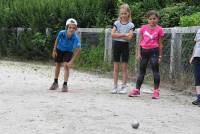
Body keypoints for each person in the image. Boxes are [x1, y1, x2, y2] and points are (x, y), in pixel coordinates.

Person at [128, 10, 164, 99]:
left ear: (157, 19)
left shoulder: (159, 29)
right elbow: (139, 41)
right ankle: (137, 90)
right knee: (142, 71)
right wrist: (138, 53)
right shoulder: (143, 28)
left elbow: (160, 44)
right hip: (144, 51)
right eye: (150, 19)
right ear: (147, 19)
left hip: (154, 52)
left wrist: (160, 56)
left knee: (155, 71)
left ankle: (156, 91)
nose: (152, 20)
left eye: (154, 18)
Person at [49, 18, 81, 92]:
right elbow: (57, 40)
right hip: (59, 49)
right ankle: (55, 82)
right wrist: (54, 50)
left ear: (75, 29)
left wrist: (72, 61)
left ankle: (65, 84)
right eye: (70, 27)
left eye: (73, 28)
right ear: (67, 27)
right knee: (58, 65)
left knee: (66, 66)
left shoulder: (76, 37)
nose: (71, 29)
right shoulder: (62, 33)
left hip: (68, 51)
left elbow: (78, 50)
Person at [111, 3, 135, 94]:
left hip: (125, 46)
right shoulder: (116, 23)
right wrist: (124, 34)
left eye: (125, 13)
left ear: (128, 13)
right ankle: (115, 86)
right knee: (116, 67)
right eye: (122, 13)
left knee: (124, 68)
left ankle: (124, 86)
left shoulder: (131, 25)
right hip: (116, 45)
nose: (123, 15)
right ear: (119, 14)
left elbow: (129, 38)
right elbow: (112, 34)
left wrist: (119, 35)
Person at [189, 29, 200, 106]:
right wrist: (192, 56)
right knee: (197, 76)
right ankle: (199, 98)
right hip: (197, 57)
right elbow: (196, 44)